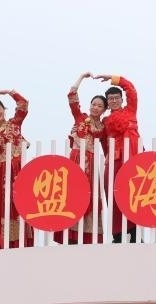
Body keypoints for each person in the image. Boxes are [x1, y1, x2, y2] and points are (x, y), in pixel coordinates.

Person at [55, 73, 106, 245]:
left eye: (100, 106)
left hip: (91, 162)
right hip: (76, 158)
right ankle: (70, 234)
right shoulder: (80, 117)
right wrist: (82, 77)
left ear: (104, 110)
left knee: (90, 196)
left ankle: (87, 235)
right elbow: (72, 96)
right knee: (72, 194)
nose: (95, 107)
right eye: (94, 104)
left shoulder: (103, 127)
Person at [0, 90, 31, 251]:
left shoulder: (14, 124)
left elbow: (23, 104)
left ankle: (18, 242)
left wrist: (10, 92)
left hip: (17, 169)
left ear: (4, 109)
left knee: (17, 202)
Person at [94, 73, 141, 243]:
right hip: (114, 161)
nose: (114, 101)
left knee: (134, 195)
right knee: (114, 195)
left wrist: (114, 78)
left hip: (133, 159)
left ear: (122, 99)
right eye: (110, 99)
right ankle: (118, 234)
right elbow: (104, 143)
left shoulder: (130, 110)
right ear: (108, 103)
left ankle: (135, 233)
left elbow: (131, 90)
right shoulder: (105, 121)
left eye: (116, 98)